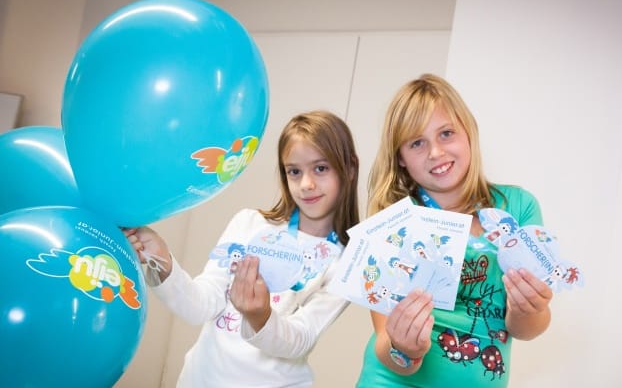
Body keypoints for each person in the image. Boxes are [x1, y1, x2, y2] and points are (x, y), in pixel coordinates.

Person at [124, 110, 359, 388]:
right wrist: (162, 261)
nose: (306, 184)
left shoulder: (346, 263)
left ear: (349, 169)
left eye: (320, 168)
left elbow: (301, 338)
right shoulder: (250, 223)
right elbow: (201, 305)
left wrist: (260, 317)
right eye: (294, 171)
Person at [355, 74, 553, 387]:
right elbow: (386, 345)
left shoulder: (517, 208)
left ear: (468, 131)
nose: (435, 152)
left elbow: (526, 329)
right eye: (417, 143)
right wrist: (403, 348)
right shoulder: (393, 223)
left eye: (446, 133)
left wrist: (531, 307)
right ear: (401, 158)